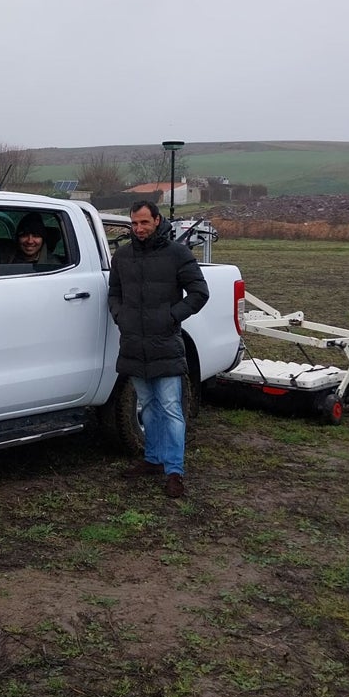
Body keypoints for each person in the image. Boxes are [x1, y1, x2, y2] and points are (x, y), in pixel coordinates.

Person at [108, 200, 209, 498]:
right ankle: (152, 460)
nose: (139, 229)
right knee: (148, 406)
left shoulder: (177, 253)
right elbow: (114, 293)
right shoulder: (123, 256)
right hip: (133, 344)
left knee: (170, 408)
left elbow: (199, 292)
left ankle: (174, 470)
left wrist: (171, 316)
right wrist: (121, 316)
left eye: (144, 223)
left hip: (164, 343)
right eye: (134, 224)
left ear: (156, 220)